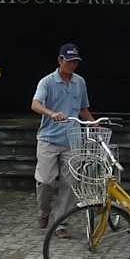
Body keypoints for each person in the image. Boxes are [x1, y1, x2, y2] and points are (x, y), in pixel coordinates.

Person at [31, 42, 95, 233]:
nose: (72, 65)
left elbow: (83, 108)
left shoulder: (80, 82)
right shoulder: (47, 82)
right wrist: (51, 113)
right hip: (49, 139)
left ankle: (61, 223)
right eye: (69, 61)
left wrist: (94, 124)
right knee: (46, 180)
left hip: (72, 140)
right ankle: (44, 212)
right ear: (60, 60)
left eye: (75, 62)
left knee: (70, 183)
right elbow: (35, 104)